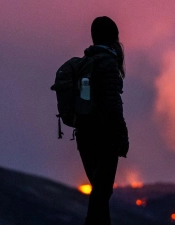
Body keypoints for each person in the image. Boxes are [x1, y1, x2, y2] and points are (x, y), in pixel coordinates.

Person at [75, 16, 129, 225]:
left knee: (99, 193)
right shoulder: (108, 64)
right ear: (113, 37)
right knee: (101, 193)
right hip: (105, 137)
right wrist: (121, 136)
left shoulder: (84, 62)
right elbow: (113, 104)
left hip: (83, 135)